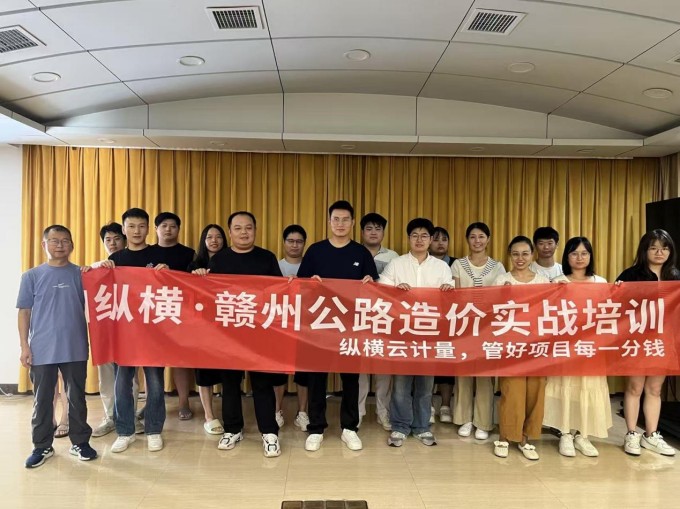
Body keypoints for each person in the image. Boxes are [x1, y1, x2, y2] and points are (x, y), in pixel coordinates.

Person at [198, 211, 284, 457]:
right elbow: (209, 296)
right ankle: (233, 429)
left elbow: (279, 293)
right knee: (230, 384)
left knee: (262, 383)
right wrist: (200, 278)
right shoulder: (219, 260)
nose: (244, 232)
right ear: (230, 232)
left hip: (260, 333)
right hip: (229, 334)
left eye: (248, 227)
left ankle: (269, 432)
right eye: (238, 228)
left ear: (255, 230)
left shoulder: (267, 258)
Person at [297, 200, 379, 452]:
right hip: (319, 325)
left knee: (351, 378)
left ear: (352, 223)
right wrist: (310, 283)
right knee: (316, 378)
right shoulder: (315, 251)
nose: (340, 224)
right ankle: (316, 428)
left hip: (351, 326)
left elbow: (374, 289)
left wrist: (370, 283)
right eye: (336, 219)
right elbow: (300, 286)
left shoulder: (361, 253)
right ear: (329, 222)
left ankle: (349, 428)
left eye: (345, 220)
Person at [18, 225, 97, 468]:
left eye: (65, 241)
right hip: (42, 347)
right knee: (42, 399)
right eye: (54, 240)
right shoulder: (31, 276)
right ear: (44, 245)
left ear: (72, 245)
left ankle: (80, 442)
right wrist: (24, 346)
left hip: (75, 345)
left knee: (76, 398)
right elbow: (24, 312)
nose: (60, 245)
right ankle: (41, 446)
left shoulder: (82, 274)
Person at [380, 218, 454, 447]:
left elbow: (451, 301)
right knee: (401, 385)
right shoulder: (396, 265)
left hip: (430, 334)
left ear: (430, 240)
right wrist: (395, 291)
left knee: (425, 385)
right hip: (402, 334)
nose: (419, 240)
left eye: (424, 236)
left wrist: (448, 291)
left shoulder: (441, 268)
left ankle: (422, 427)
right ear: (408, 238)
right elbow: (380, 292)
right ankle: (400, 427)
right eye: (415, 235)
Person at [103, 208, 170, 453]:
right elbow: (103, 291)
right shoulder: (117, 258)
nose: (136, 231)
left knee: (155, 382)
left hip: (154, 332)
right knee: (122, 383)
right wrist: (99, 269)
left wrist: (167, 274)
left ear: (148, 228)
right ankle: (125, 431)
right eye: (131, 226)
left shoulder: (159, 255)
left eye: (141, 226)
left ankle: (154, 430)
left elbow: (173, 292)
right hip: (125, 332)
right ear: (124, 229)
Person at [544, 237, 612, 457]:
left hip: (592, 347)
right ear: (567, 257)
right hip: (566, 346)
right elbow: (547, 316)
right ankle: (565, 433)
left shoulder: (601, 282)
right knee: (566, 386)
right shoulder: (557, 282)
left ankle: (583, 435)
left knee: (588, 387)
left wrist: (621, 290)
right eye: (574, 253)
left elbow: (610, 313)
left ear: (590, 256)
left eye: (584, 253)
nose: (579, 258)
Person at [617, 229, 680, 457]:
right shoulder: (631, 275)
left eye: (664, 248)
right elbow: (616, 306)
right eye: (653, 248)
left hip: (664, 341)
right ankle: (631, 433)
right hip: (637, 340)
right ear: (644, 251)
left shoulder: (675, 276)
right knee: (635, 387)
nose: (659, 252)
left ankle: (651, 435)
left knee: (654, 389)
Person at [493, 236, 550, 460]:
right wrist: (502, 296)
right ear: (510, 255)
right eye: (515, 254)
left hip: (537, 345)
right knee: (511, 391)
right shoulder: (502, 280)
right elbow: (492, 314)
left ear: (532, 255)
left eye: (525, 253)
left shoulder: (543, 281)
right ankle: (505, 437)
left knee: (535, 391)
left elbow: (550, 311)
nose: (520, 258)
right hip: (511, 345)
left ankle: (526, 437)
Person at [450, 222, 506, 439]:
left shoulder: (498, 267)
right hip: (463, 326)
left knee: (484, 376)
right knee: (463, 374)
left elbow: (501, 298)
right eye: (473, 237)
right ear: (467, 240)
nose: (477, 241)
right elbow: (454, 295)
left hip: (488, 329)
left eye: (481, 236)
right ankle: (464, 419)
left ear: (488, 239)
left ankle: (483, 422)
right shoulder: (458, 265)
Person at [91, 222, 143, 438]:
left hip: (130, 330)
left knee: (129, 376)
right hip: (105, 330)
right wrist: (95, 267)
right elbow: (86, 278)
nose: (112, 243)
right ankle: (109, 417)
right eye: (108, 240)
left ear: (124, 239)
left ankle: (130, 416)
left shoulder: (135, 265)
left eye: (116, 239)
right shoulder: (99, 268)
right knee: (106, 375)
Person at [154, 212, 196, 421]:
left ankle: (183, 402)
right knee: (153, 362)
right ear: (156, 229)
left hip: (181, 313)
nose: (168, 229)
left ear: (179, 229)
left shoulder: (189, 253)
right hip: (152, 313)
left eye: (173, 226)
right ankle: (153, 403)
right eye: (164, 225)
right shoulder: (148, 252)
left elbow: (194, 283)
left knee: (180, 360)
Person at [358, 212, 398, 430]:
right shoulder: (353, 251)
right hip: (359, 318)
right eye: (369, 228)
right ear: (362, 232)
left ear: (384, 232)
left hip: (385, 319)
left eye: (378, 228)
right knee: (360, 369)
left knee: (384, 368)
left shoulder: (394, 257)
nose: (373, 232)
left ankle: (383, 411)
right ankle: (358, 412)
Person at [187, 224, 228, 435]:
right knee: (204, 373)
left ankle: (230, 413)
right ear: (203, 241)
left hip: (229, 326)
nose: (214, 240)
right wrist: (195, 275)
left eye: (218, 236)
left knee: (229, 371)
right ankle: (209, 416)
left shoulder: (231, 262)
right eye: (209, 237)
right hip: (202, 328)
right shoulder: (195, 265)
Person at [277, 224, 310, 432]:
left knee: (304, 372)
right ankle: (277, 410)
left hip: (306, 327)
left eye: (299, 241)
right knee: (278, 371)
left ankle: (302, 412)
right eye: (290, 241)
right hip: (279, 326)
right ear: (284, 243)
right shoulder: (275, 265)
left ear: (304, 244)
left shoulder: (312, 266)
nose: (295, 245)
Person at [429, 226, 456, 423]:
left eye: (444, 239)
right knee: (427, 363)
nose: (440, 243)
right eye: (436, 239)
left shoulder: (456, 264)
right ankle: (428, 406)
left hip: (450, 321)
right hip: (425, 320)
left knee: (446, 364)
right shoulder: (422, 263)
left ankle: (445, 406)